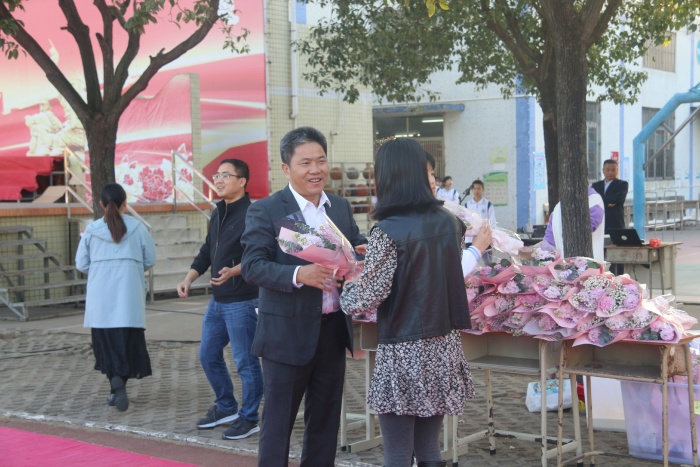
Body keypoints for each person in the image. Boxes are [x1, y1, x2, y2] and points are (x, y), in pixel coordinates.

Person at [339, 138, 491, 467]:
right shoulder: (450, 222)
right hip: (443, 345)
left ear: (391, 177)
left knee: (397, 453)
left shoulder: (386, 231)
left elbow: (368, 296)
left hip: (404, 348)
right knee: (429, 449)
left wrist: (345, 287)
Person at [241, 126, 367, 467]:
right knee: (278, 423)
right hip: (285, 334)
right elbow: (252, 266)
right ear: (286, 168)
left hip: (332, 329)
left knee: (325, 421)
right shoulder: (267, 210)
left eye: (321, 161)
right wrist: (299, 274)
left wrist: (362, 254)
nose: (316, 170)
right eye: (305, 162)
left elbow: (354, 246)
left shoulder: (339, 207)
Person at [176, 159, 263, 440]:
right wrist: (189, 278)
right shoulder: (218, 212)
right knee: (208, 354)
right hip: (218, 301)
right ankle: (226, 407)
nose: (219, 180)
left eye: (226, 175)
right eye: (217, 175)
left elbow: (262, 254)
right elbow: (207, 251)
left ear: (242, 181)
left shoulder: (253, 213)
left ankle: (250, 418)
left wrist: (234, 271)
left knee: (245, 362)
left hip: (243, 300)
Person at [75, 183, 156, 412]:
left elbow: (81, 264)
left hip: (101, 297)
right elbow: (150, 259)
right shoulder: (138, 228)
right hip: (129, 296)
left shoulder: (92, 230)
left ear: (101, 204)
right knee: (127, 343)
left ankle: (115, 385)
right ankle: (118, 386)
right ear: (125, 204)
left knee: (106, 344)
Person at [543, 187, 605, 261]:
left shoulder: (594, 200)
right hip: (564, 265)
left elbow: (586, 229)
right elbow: (549, 242)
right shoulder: (558, 208)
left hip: (590, 263)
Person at [592, 159, 629, 274]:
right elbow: (593, 200)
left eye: (613, 170)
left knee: (618, 254)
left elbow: (619, 198)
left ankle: (619, 277)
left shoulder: (622, 184)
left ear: (617, 170)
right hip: (599, 223)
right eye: (608, 170)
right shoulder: (596, 185)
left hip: (616, 223)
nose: (610, 173)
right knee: (600, 253)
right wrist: (609, 202)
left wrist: (602, 200)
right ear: (603, 170)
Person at [464, 179, 496, 248]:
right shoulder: (467, 205)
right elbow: (464, 221)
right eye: (474, 189)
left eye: (479, 189)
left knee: (486, 255)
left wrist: (492, 236)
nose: (476, 191)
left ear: (483, 190)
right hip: (470, 239)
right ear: (472, 190)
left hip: (484, 238)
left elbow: (492, 221)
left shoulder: (488, 204)